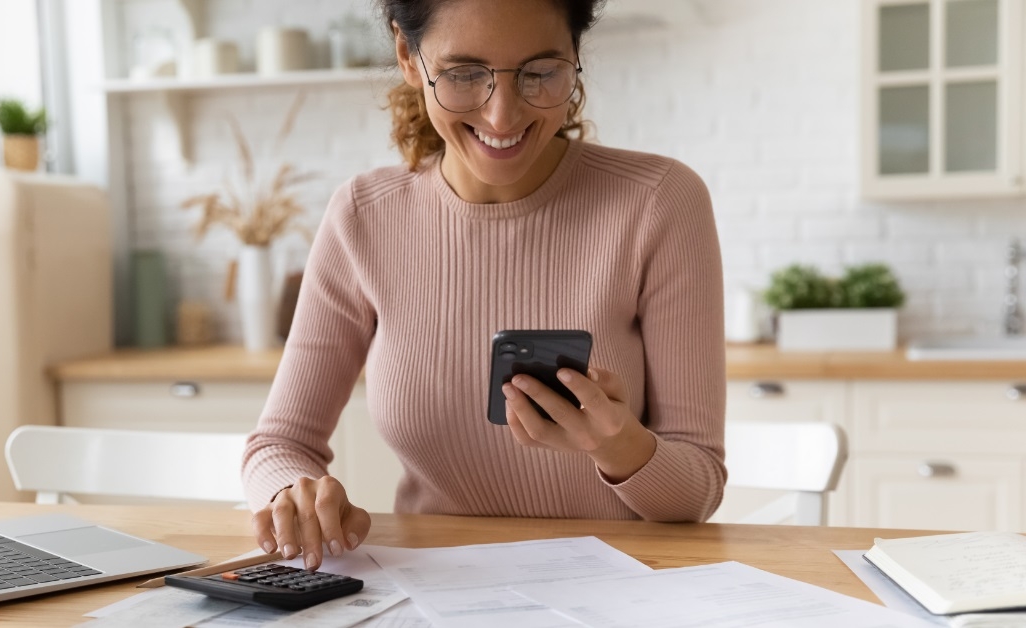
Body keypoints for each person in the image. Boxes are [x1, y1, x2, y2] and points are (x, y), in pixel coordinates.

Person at [242, 0, 726, 571]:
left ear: (575, 58)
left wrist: (619, 444)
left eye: (540, 72)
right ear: (407, 55)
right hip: (432, 588)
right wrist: (290, 493)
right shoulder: (363, 217)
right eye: (465, 74)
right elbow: (279, 445)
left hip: (618, 585)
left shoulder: (658, 202)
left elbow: (698, 490)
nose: (501, 116)